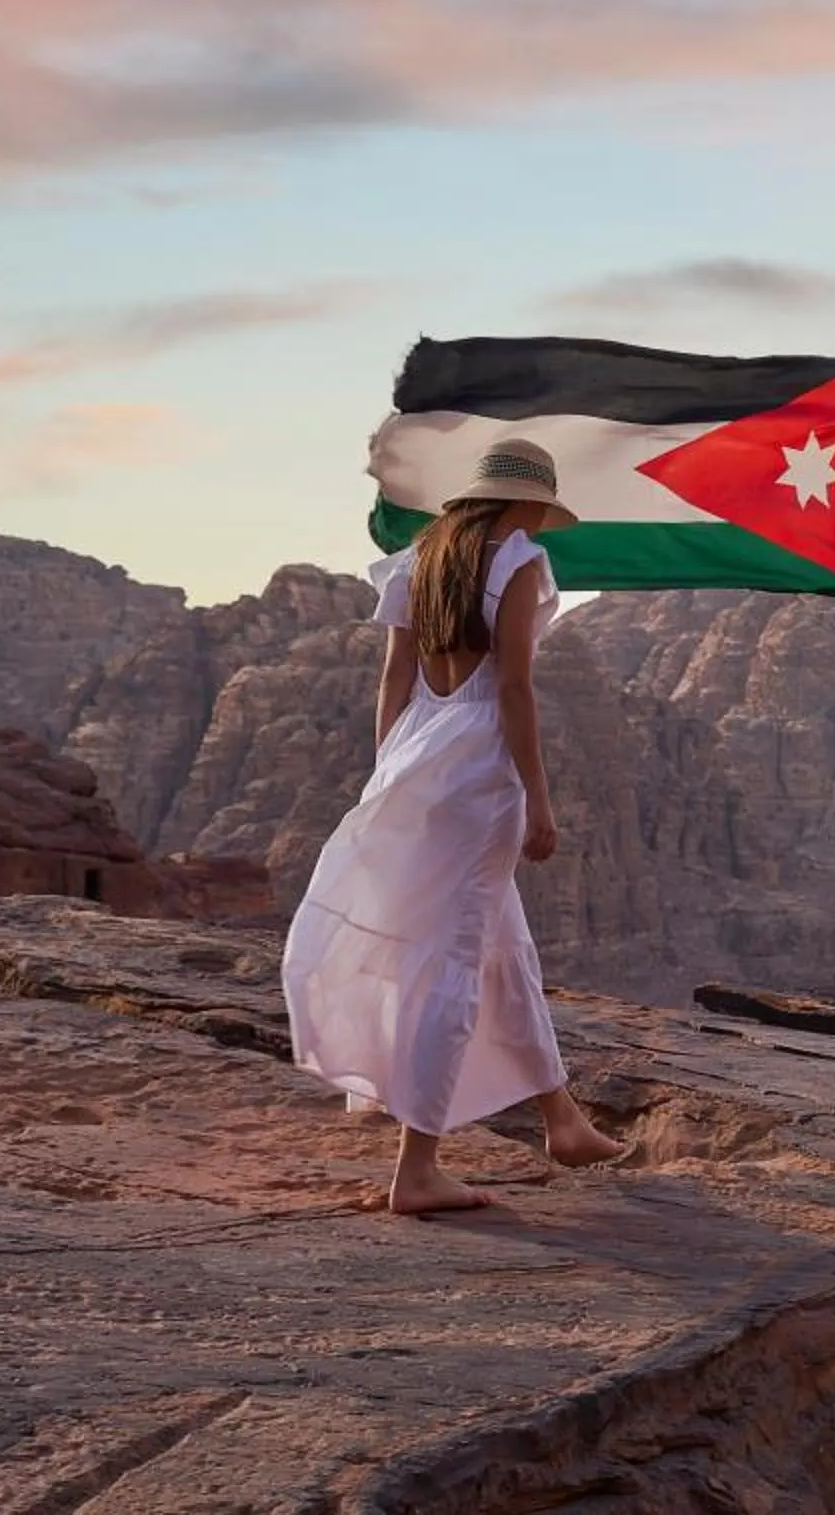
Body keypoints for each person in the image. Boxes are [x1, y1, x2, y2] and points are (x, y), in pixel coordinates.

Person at [282, 435, 627, 1213]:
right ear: (524, 502)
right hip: (476, 765)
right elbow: (512, 691)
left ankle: (562, 1120)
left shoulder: (424, 557)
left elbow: (394, 678)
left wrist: (386, 774)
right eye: (540, 509)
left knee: (500, 940)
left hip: (415, 753)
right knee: (457, 957)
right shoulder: (518, 564)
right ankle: (418, 1167)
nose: (542, 524)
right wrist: (538, 796)